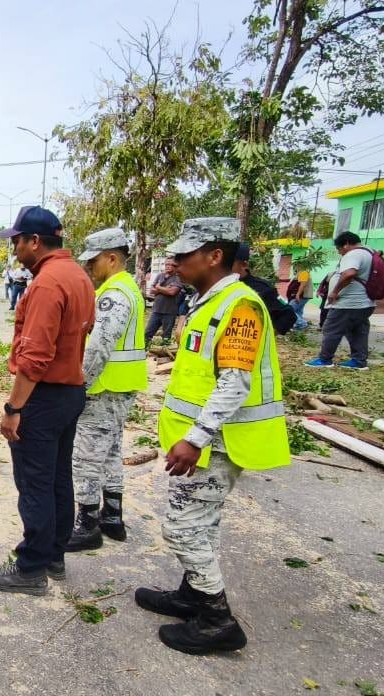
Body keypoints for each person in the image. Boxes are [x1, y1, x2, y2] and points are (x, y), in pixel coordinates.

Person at [134, 217, 291, 655]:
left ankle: (216, 619)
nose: (176, 262)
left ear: (214, 255)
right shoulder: (210, 302)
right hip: (205, 440)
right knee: (202, 525)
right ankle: (192, 594)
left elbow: (234, 384)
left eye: (185, 255)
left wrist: (196, 438)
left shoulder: (239, 306)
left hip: (217, 443)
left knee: (182, 529)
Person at [0, 206, 95, 596]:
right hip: (69, 393)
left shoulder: (47, 284)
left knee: (34, 482)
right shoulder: (78, 275)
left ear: (35, 242)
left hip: (44, 397)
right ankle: (53, 556)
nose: (14, 249)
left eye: (16, 241)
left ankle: (30, 568)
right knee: (57, 478)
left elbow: (35, 357)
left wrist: (14, 409)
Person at [66, 228, 147, 552]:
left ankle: (86, 524)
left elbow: (99, 346)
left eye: (94, 261)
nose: (90, 268)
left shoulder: (114, 294)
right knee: (112, 451)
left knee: (85, 457)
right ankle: (112, 515)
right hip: (122, 386)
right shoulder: (130, 289)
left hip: (103, 387)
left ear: (112, 258)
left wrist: (80, 385)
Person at [305, 232, 375, 369]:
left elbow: (349, 273)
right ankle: (359, 361)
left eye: (339, 249)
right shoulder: (370, 253)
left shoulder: (354, 254)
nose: (340, 253)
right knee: (358, 330)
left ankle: (325, 359)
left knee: (331, 329)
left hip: (348, 303)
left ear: (346, 244)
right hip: (365, 303)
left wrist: (335, 291)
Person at [231, 245, 296, 336]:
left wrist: (264, 336)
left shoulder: (262, 289)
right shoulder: (214, 285)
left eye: (228, 263)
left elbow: (288, 314)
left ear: (244, 265)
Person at [147, 258, 183, 346]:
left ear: (176, 266)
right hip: (156, 310)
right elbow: (151, 290)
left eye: (171, 264)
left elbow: (172, 292)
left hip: (169, 312)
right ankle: (145, 350)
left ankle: (164, 353)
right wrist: (166, 289)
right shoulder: (160, 276)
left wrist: (158, 288)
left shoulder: (178, 278)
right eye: (167, 264)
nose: (168, 266)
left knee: (166, 336)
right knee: (147, 333)